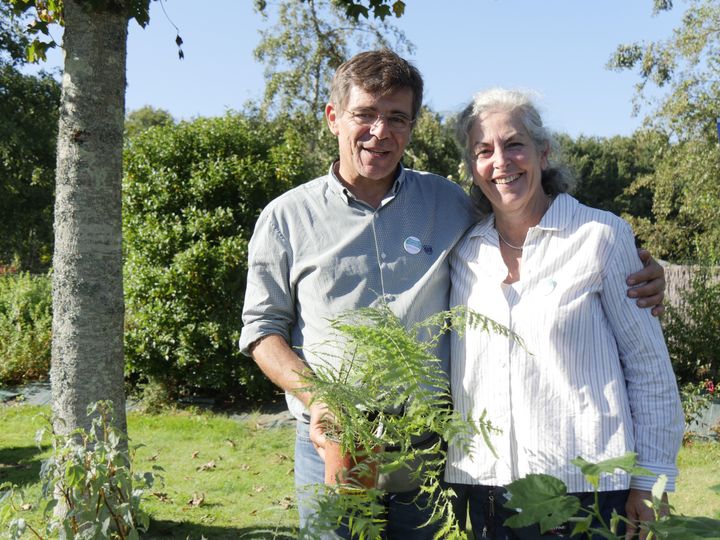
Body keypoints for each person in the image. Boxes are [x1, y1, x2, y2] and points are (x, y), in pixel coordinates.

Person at [239, 51, 666, 539]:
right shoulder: (286, 217)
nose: (381, 132)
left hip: (428, 457)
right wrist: (321, 401)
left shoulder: (448, 203)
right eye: (365, 114)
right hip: (335, 445)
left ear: (412, 127)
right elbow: (261, 331)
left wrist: (640, 267)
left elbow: (525, 225)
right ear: (335, 117)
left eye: (397, 118)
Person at [445, 88, 684, 540]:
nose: (501, 161)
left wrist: (651, 481)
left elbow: (649, 367)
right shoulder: (462, 252)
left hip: (589, 491)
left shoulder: (601, 237)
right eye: (483, 150)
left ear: (543, 152)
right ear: (471, 166)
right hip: (488, 491)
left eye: (514, 144)